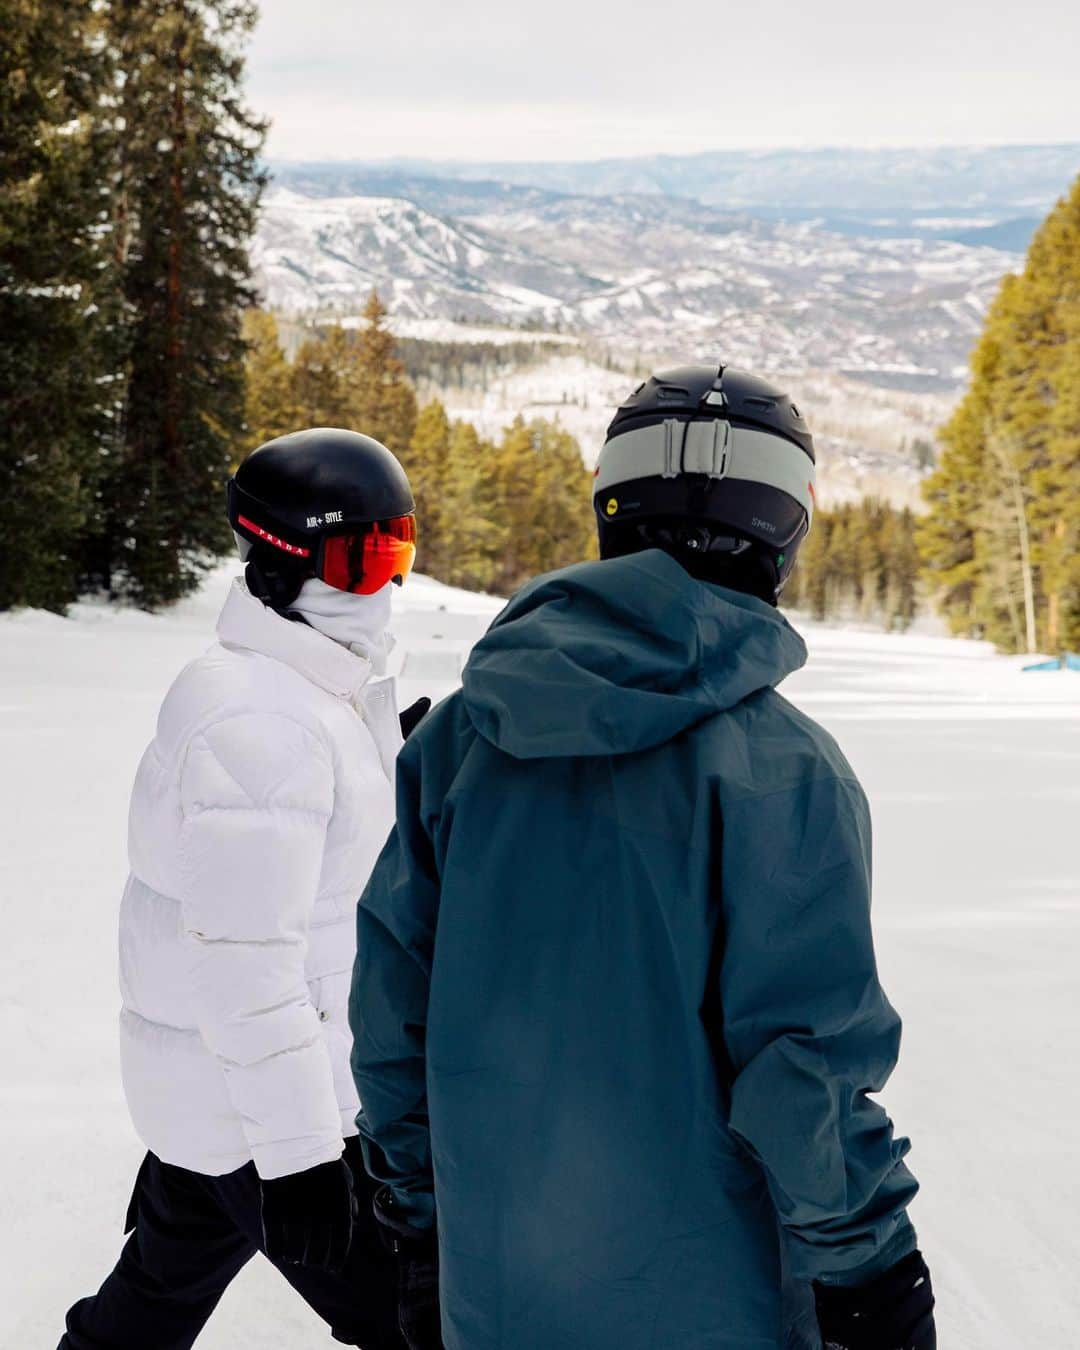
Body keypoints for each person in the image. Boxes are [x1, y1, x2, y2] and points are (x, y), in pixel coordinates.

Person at [348, 367, 937, 1350]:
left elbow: (391, 1010)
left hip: (497, 1292)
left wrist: (411, 1219)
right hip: (717, 1305)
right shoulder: (784, 773)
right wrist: (869, 1267)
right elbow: (804, 1071)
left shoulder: (457, 742)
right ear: (781, 528)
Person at [60, 429, 429, 1350]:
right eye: (359, 558)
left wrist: (384, 756)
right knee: (421, 1322)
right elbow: (244, 964)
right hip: (271, 1112)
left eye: (398, 551)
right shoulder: (263, 723)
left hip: (225, 1089)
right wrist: (303, 1160)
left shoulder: (298, 692)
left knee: (150, 1304)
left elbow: (307, 880)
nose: (382, 586)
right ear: (285, 562)